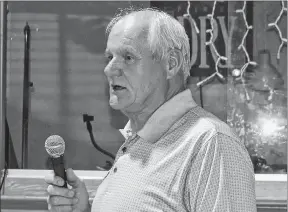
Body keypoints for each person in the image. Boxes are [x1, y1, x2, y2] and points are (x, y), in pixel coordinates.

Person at [45, 7, 257, 212]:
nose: (109, 69)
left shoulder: (211, 144)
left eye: (128, 57)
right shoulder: (135, 141)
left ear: (171, 64)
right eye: (109, 57)